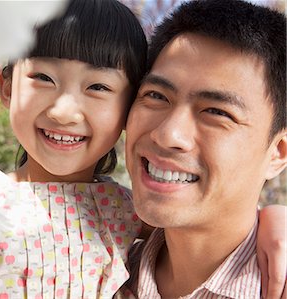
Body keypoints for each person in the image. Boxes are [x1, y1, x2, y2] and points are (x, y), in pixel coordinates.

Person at [0, 0, 286, 298]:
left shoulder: (117, 212)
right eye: (157, 96)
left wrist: (271, 219)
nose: (64, 111)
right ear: (7, 86)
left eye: (216, 111)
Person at [122, 0, 287, 298]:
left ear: (279, 152)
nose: (168, 134)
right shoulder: (94, 269)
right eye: (156, 95)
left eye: (217, 112)